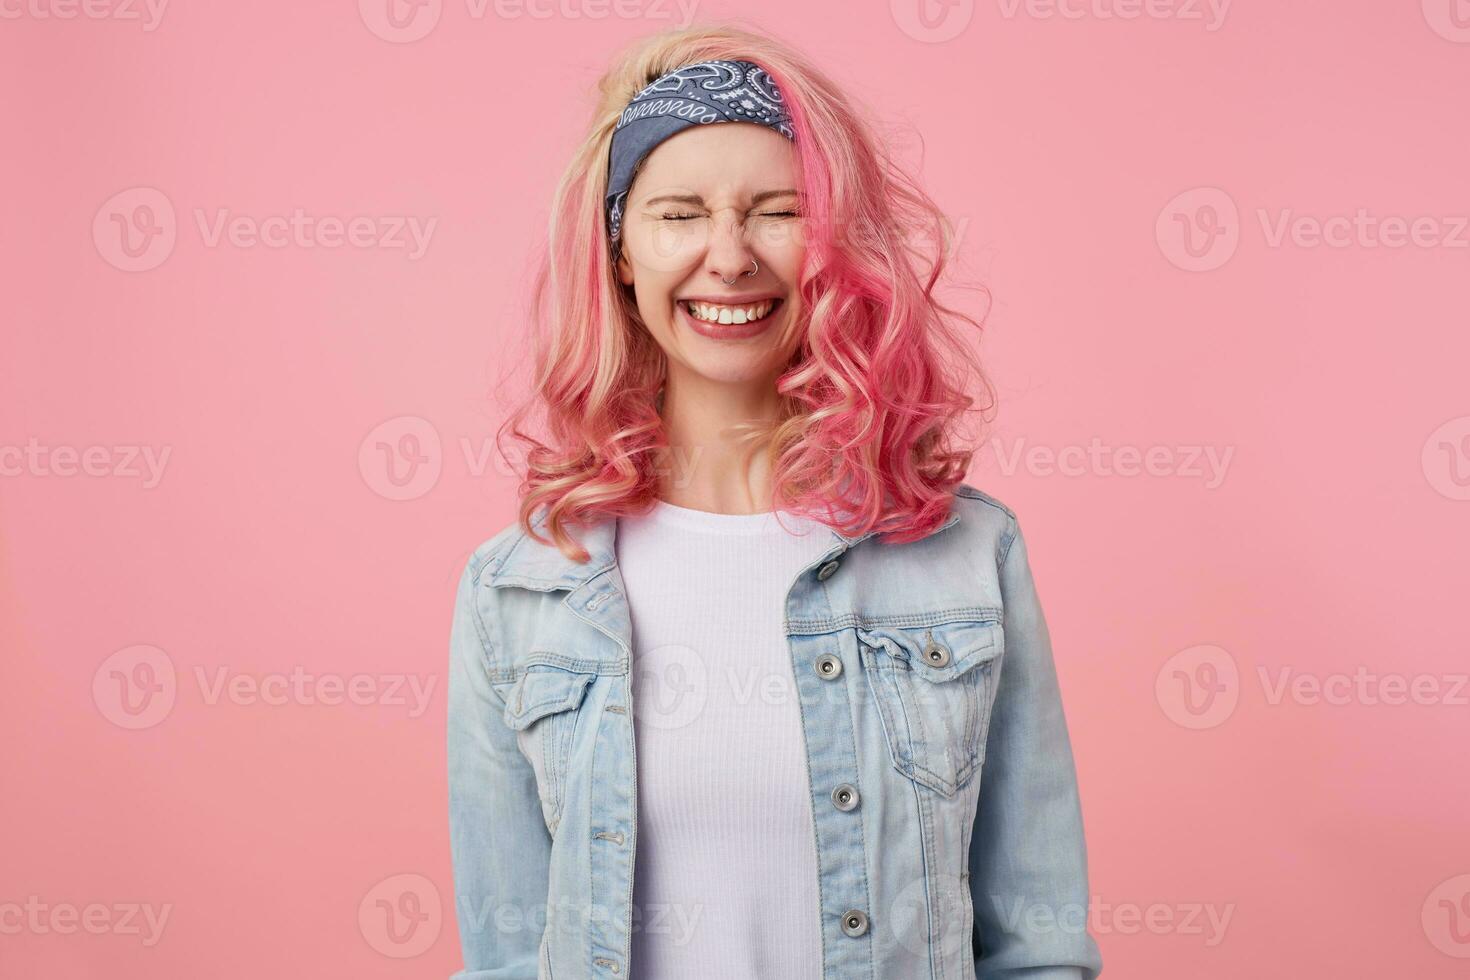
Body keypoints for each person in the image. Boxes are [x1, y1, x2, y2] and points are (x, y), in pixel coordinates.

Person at [447, 22, 1103, 980]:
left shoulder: (966, 553)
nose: (729, 256)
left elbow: (1036, 948)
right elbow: (507, 959)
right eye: (679, 214)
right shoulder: (521, 591)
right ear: (622, 253)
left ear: (834, 243)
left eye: (777, 211)